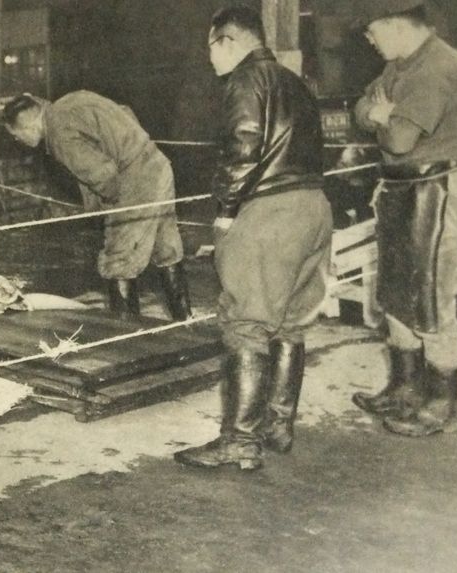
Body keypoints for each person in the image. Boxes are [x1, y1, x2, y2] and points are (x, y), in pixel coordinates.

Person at [174, 5, 332, 471]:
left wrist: (225, 209)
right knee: (288, 323)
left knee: (246, 322)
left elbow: (244, 146)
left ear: (228, 41)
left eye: (211, 47)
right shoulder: (294, 82)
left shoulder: (246, 79)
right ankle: (277, 426)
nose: (210, 59)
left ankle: (240, 442)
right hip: (314, 207)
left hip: (271, 212)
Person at [350, 0, 457, 437]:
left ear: (395, 25)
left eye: (372, 32)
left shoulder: (437, 67)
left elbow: (402, 140)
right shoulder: (401, 64)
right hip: (402, 190)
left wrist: (383, 118)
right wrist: (376, 113)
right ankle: (405, 388)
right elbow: (359, 108)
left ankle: (442, 400)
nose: (369, 41)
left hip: (437, 192)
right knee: (396, 291)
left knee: (432, 296)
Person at [2, 91, 191, 321]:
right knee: (166, 250)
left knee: (118, 261)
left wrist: (109, 209)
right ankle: (185, 322)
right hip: (157, 164)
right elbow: (126, 110)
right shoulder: (70, 102)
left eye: (16, 136)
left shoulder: (59, 133)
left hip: (135, 180)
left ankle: (126, 337)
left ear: (27, 127)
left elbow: (104, 176)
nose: (19, 142)